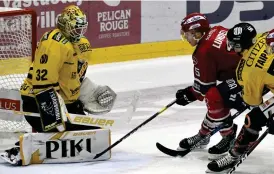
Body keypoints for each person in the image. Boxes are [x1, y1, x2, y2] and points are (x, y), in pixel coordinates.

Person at [1, 5, 116, 166]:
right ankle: (20, 150)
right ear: (66, 26)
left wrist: (88, 92)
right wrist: (54, 114)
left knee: (92, 133)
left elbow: (74, 77)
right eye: (76, 29)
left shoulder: (82, 45)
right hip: (39, 103)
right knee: (67, 135)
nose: (80, 33)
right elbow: (42, 83)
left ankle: (49, 136)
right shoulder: (54, 43)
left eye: (81, 29)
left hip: (64, 103)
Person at [175, 13, 245, 160]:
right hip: (248, 71)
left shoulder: (203, 52)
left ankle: (228, 136)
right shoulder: (217, 30)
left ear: (197, 33)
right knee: (217, 96)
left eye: (187, 35)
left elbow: (204, 89)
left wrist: (189, 94)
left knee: (214, 97)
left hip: (250, 78)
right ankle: (203, 135)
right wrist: (193, 91)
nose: (185, 38)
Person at [207, 23, 274, 173]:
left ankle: (234, 155)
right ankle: (234, 154)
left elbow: (253, 102)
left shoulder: (249, 71)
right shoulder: (265, 39)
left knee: (253, 119)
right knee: (256, 118)